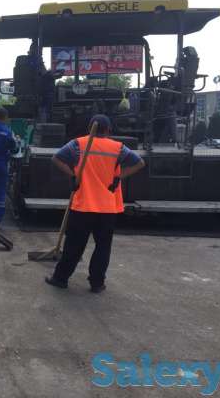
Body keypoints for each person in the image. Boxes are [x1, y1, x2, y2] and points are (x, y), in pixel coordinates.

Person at [45, 114, 145, 293]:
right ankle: (97, 283)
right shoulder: (118, 148)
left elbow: (56, 159)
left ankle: (60, 279)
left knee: (74, 246)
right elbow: (139, 163)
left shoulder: (78, 144)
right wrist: (118, 178)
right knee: (103, 247)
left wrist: (73, 176)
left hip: (83, 205)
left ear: (90, 127)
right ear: (108, 130)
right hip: (107, 207)